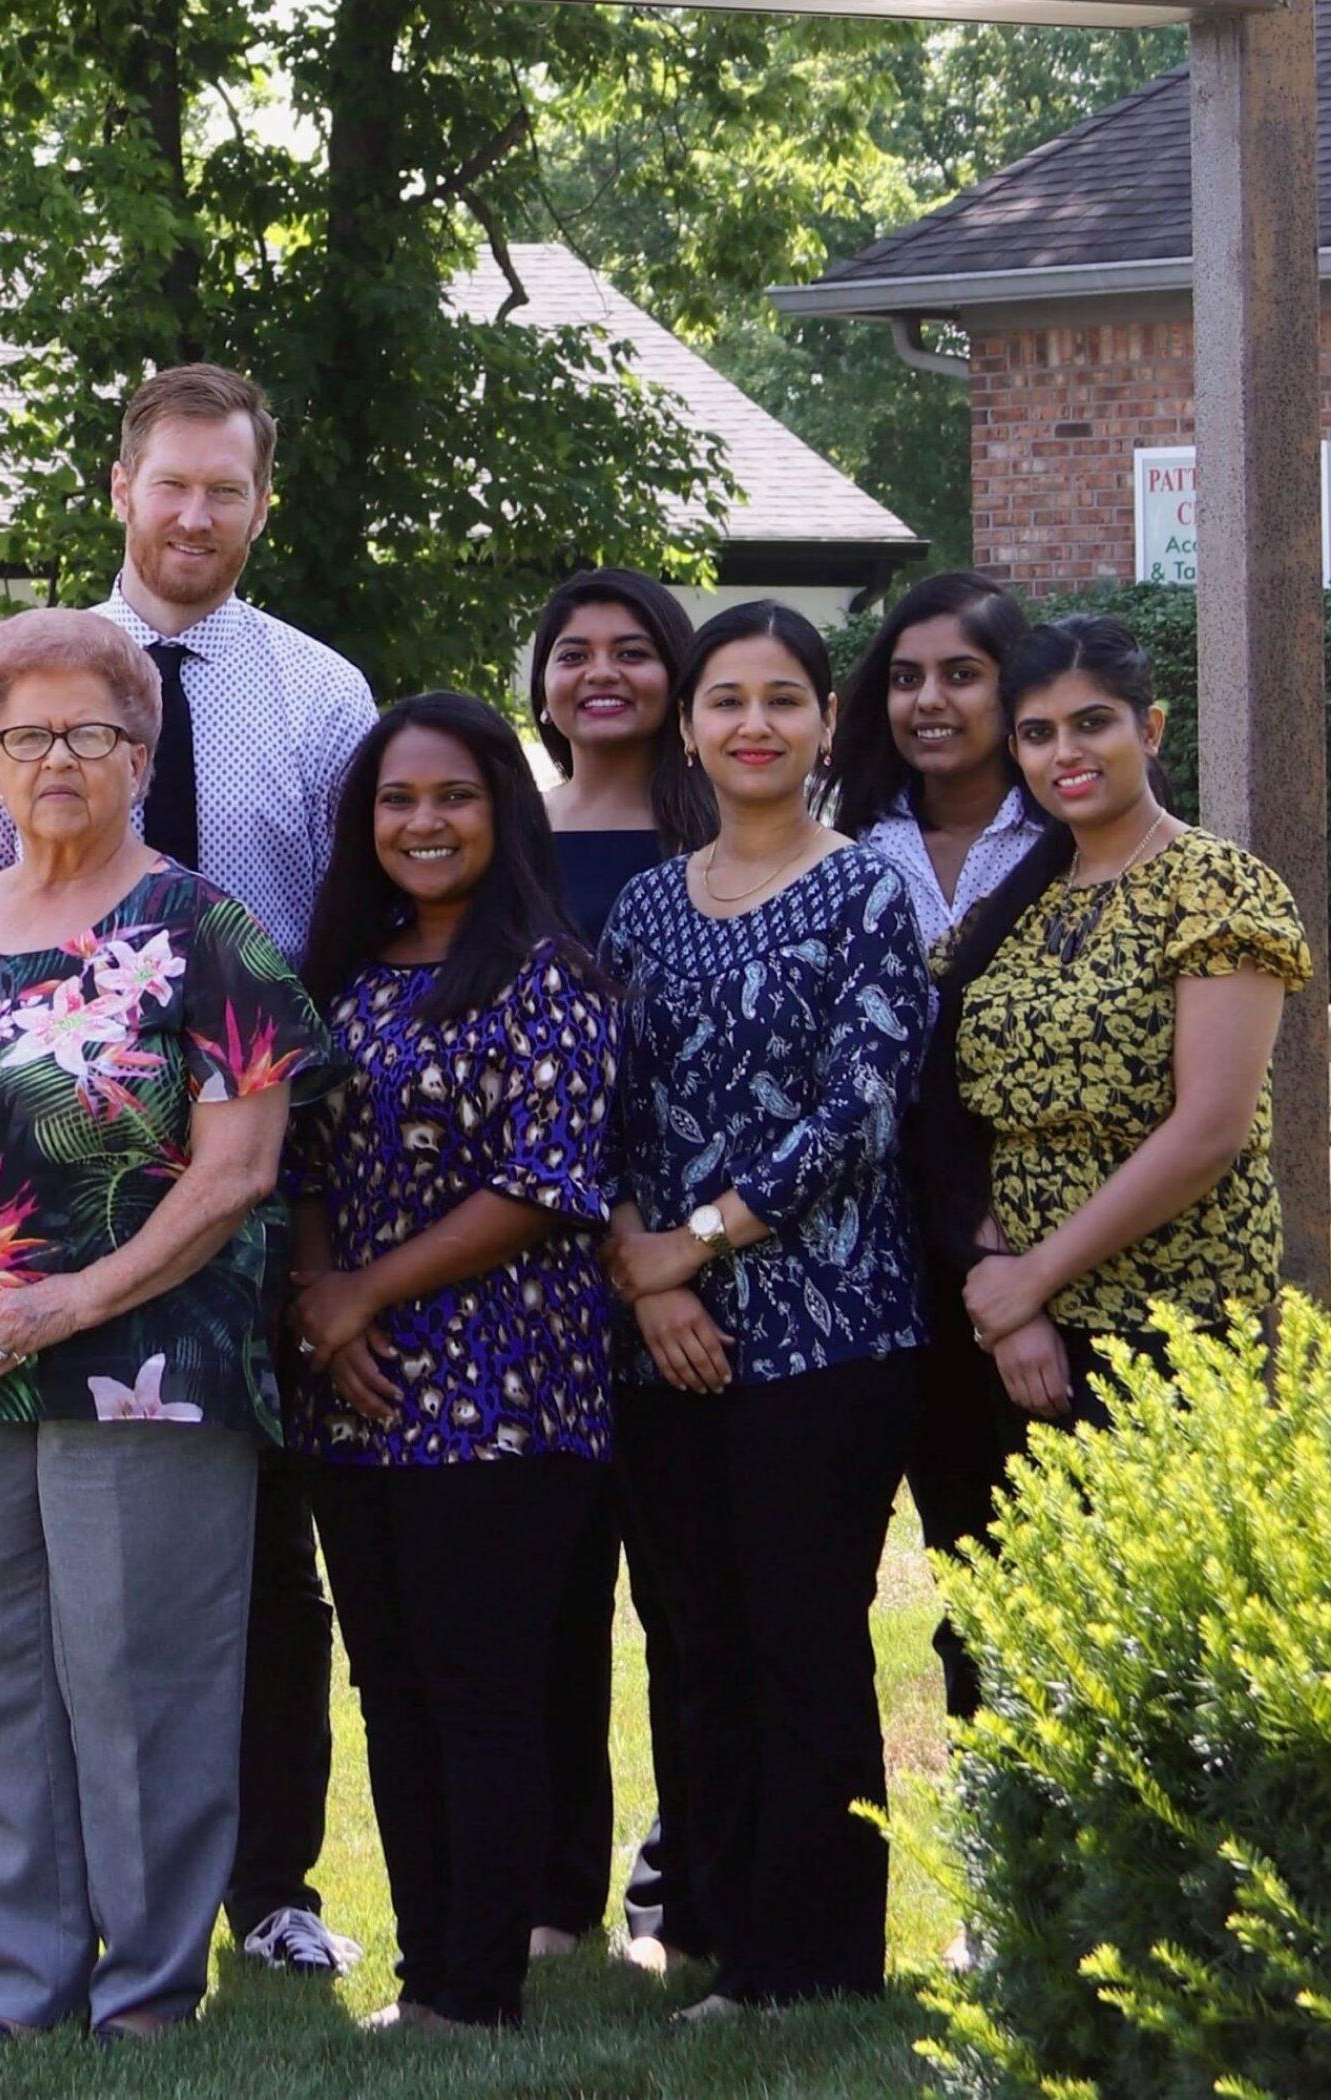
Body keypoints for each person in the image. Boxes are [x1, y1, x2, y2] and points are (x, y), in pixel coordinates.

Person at [0, 608, 334, 2041]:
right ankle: (27, 1987)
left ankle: (150, 1993)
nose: (58, 758)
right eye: (25, 734)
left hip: (149, 1366)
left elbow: (238, 1170)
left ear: (140, 753)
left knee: (141, 1678)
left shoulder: (203, 933)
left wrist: (71, 1302)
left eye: (91, 734)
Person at [0, 363, 372, 1979]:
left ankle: (269, 1888)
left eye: (227, 490)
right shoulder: (30, 683)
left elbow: (338, 930)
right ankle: (66, 1918)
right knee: (45, 1595)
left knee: (255, 1561)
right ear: (123, 490)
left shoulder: (322, 698)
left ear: (265, 506)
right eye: (171, 484)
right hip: (50, 1199)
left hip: (254, 1177)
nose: (197, 515)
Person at [600, 600, 931, 2016]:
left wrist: (699, 1244)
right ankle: (716, 1927)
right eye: (727, 698)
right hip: (663, 1329)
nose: (754, 724)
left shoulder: (867, 890)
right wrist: (641, 1265)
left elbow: (861, 1110)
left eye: (784, 699)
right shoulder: (644, 904)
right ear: (687, 727)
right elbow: (602, 1104)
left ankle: (817, 1960)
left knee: (801, 1635)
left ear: (824, 725)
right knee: (690, 1635)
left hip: (830, 1330)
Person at [289, 692, 620, 2031]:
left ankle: (477, 1989)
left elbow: (544, 1184)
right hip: (354, 1394)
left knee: (480, 1697)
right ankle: (430, 1972)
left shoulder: (552, 975)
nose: (423, 823)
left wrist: (358, 1292)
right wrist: (325, 1303)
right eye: (398, 802)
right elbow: (300, 1153)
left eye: (455, 798)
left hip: (504, 1398)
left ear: (504, 812)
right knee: (395, 1692)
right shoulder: (349, 978)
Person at [929, 615, 1311, 1421]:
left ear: (1151, 728)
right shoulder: (1015, 908)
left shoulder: (1216, 888)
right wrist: (1006, 1286)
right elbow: (950, 1105)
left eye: (1092, 723)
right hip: (1017, 1329)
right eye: (1038, 733)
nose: (1064, 753)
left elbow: (1210, 1130)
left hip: (1178, 1321)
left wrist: (1035, 1274)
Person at [526, 567, 706, 1972]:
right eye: (573, 652)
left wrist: (670, 1253)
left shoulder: (729, 835)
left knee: (699, 1597)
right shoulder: (504, 838)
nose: (602, 673)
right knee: (548, 1600)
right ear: (540, 683)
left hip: (704, 1267)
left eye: (633, 651)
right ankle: (551, 1902)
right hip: (531, 1273)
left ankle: (696, 1884)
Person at [826, 572, 1045, 1724]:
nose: (928, 701)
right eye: (905, 677)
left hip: (1040, 1253)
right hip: (872, 1257)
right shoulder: (845, 844)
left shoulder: (1070, 837)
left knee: (1029, 1574)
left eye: (960, 675)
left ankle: (1029, 1877)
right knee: (912, 1563)